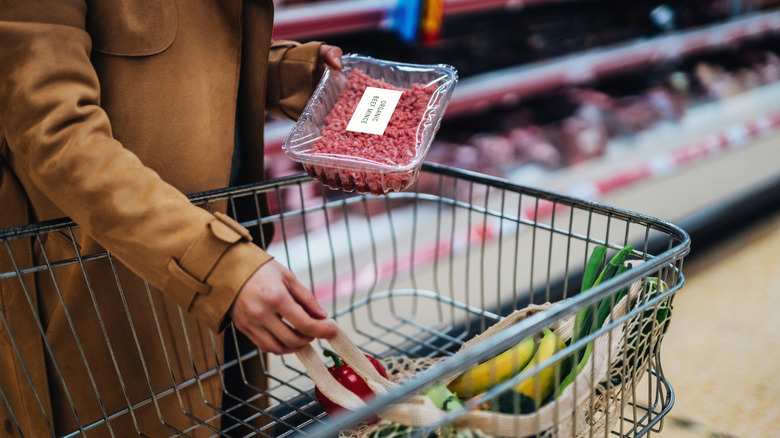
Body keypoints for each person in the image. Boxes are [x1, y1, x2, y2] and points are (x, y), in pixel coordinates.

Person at [0, 1, 341, 435]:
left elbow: (183, 59)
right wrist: (218, 264)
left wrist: (293, 75)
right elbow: (56, 134)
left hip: (227, 265)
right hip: (106, 296)